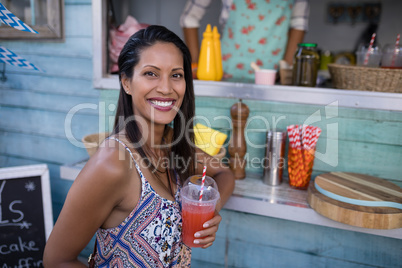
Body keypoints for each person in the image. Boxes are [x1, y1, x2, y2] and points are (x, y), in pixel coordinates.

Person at [43, 25, 235, 267]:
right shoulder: (113, 163)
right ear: (126, 82)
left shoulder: (172, 143)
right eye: (151, 73)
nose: (166, 88)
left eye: (176, 75)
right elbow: (56, 261)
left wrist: (211, 210)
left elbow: (224, 173)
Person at [180, 0, 310, 83]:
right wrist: (196, 64)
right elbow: (189, 17)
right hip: (224, 76)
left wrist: (286, 69)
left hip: (273, 79)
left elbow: (299, 23)